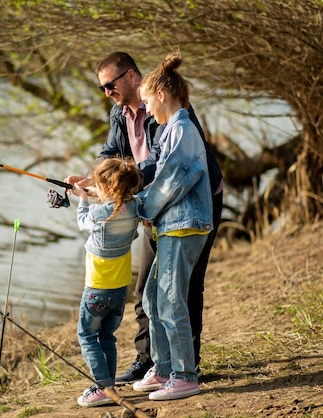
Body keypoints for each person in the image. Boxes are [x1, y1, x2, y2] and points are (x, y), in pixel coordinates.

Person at [66, 51, 224, 385]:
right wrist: (94, 181)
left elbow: (163, 165)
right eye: (102, 88)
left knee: (183, 287)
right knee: (149, 290)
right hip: (155, 206)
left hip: (188, 207)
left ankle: (186, 367)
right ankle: (152, 361)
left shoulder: (168, 112)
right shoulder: (119, 113)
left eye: (110, 84)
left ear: (132, 77)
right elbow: (111, 153)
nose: (107, 92)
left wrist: (128, 193)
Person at [132, 50, 213, 401]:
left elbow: (169, 182)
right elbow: (157, 176)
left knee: (170, 301)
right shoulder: (169, 131)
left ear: (162, 95)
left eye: (147, 101)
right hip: (171, 226)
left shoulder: (181, 130)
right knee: (152, 297)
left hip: (184, 227)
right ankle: (163, 367)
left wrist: (141, 207)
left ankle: (185, 375)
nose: (147, 109)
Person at [72, 157, 142, 407]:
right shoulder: (134, 207)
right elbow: (119, 208)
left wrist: (82, 197)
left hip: (97, 288)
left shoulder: (99, 212)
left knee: (87, 336)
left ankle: (102, 387)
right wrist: (96, 191)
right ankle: (108, 384)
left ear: (107, 187)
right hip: (121, 288)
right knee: (107, 336)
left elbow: (83, 222)